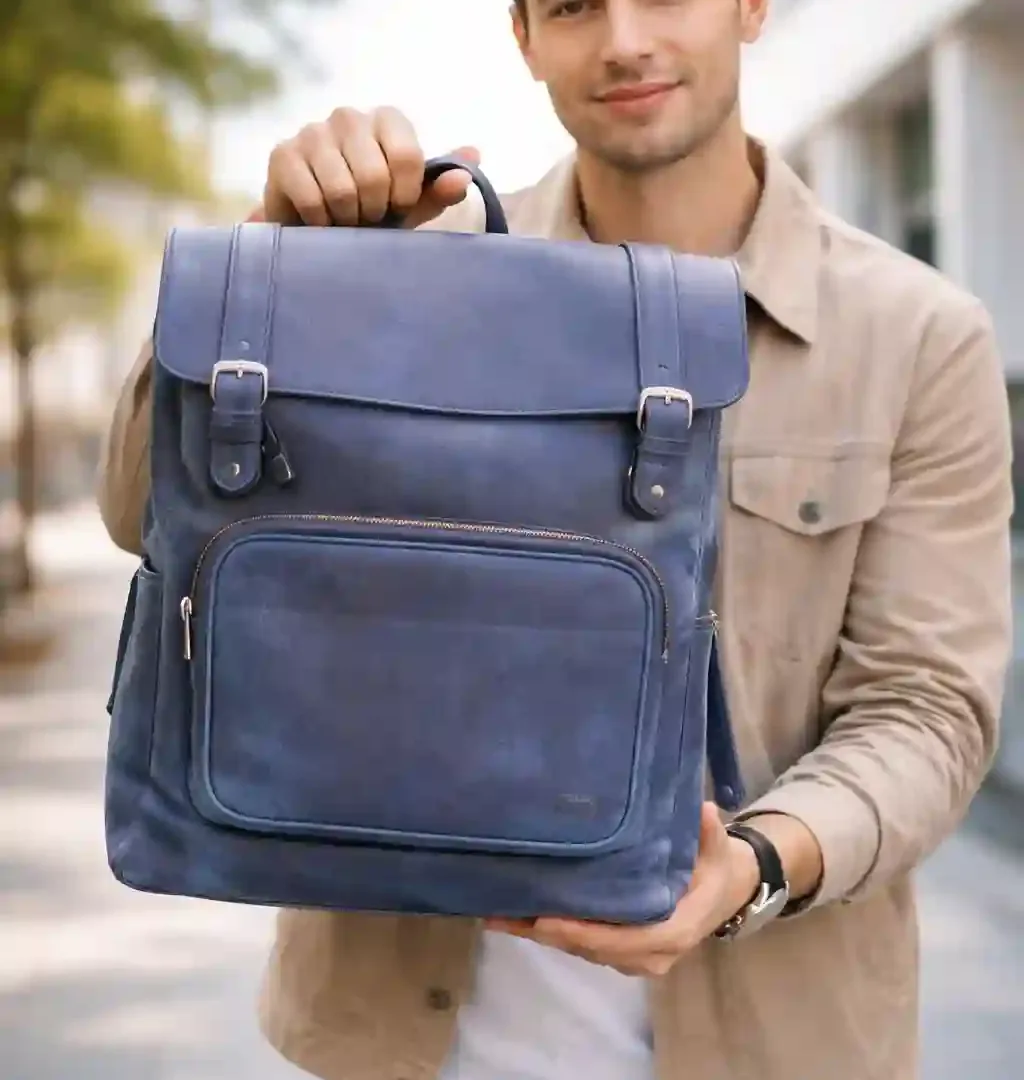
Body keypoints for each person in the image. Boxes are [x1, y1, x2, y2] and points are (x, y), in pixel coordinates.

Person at [96, 1, 1014, 1078]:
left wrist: (752, 869)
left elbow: (928, 707)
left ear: (753, 6)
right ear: (523, 33)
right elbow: (140, 517)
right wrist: (273, 267)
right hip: (403, 1039)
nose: (622, 39)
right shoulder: (404, 271)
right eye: (573, 5)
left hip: (774, 1040)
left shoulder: (914, 336)